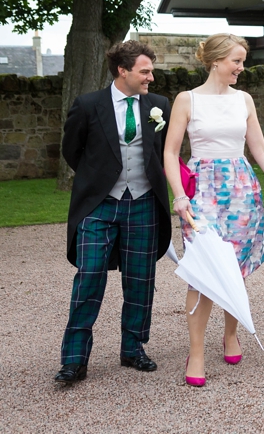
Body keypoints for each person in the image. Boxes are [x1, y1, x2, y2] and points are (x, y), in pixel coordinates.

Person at [164, 33, 264, 387]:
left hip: (241, 189)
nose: (241, 68)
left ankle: (231, 334)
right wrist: (180, 196)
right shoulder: (187, 100)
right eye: (236, 61)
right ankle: (196, 351)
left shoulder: (244, 99)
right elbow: (170, 153)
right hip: (201, 191)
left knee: (235, 268)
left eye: (243, 61)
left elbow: (259, 149)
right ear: (216, 61)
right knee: (202, 270)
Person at [55, 40, 172, 384]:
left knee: (140, 280)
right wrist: (99, 179)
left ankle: (133, 349)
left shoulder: (159, 105)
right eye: (145, 70)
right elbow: (71, 150)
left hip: (145, 203)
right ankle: (74, 359)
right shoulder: (89, 104)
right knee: (89, 275)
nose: (151, 76)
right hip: (99, 204)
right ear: (123, 71)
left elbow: (163, 152)